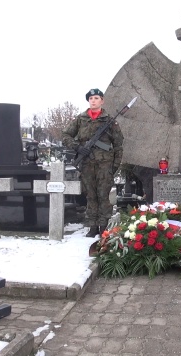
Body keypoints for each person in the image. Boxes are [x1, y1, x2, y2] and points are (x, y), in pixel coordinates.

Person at [62, 88, 124, 246]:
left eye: (96, 98)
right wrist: (77, 147)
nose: (93, 100)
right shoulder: (80, 119)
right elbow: (66, 135)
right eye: (91, 98)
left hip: (105, 164)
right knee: (90, 195)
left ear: (102, 101)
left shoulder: (109, 120)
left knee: (103, 195)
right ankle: (92, 226)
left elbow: (118, 145)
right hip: (87, 163)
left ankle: (103, 225)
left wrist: (114, 166)